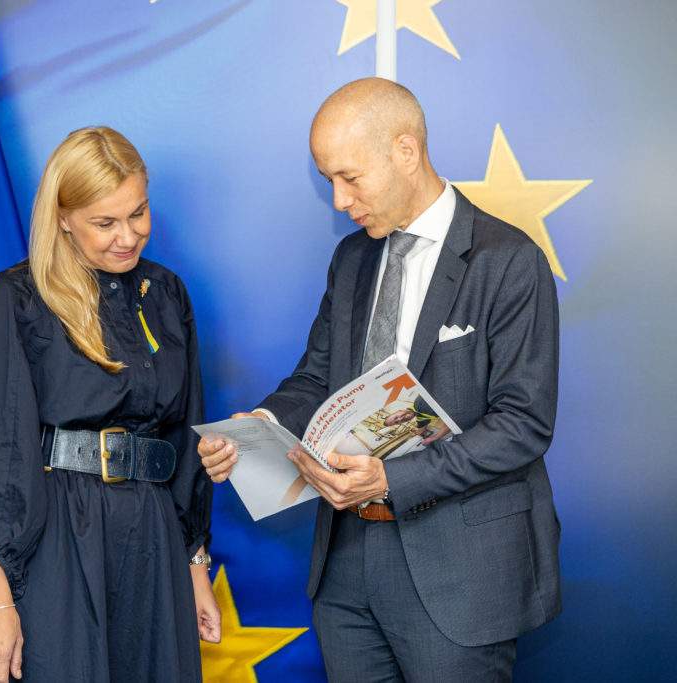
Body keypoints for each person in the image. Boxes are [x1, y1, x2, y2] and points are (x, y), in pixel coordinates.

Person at [198, 78, 561, 681]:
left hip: (458, 574)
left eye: (350, 178)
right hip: (344, 569)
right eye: (328, 181)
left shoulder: (508, 259)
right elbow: (317, 378)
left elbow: (523, 424)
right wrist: (261, 425)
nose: (339, 200)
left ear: (405, 151)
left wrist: (392, 479)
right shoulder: (352, 258)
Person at [0, 127, 219, 683]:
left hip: (152, 539)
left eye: (138, 214)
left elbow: (186, 433)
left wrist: (194, 564)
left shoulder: (167, 294)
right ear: (63, 218)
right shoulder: (21, 298)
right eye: (105, 223)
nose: (128, 236)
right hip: (53, 538)